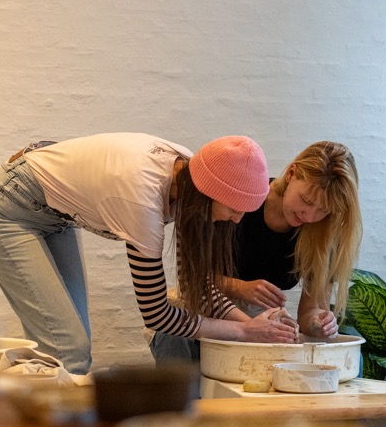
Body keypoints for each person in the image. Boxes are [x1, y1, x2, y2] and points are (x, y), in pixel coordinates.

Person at [0, 132, 299, 374]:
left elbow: (196, 285)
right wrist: (244, 331)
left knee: (65, 350)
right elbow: (157, 314)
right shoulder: (143, 199)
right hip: (7, 208)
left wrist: (258, 327)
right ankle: (13, 425)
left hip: (50, 214)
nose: (237, 220)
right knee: (68, 350)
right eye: (233, 209)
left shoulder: (188, 176)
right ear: (208, 194)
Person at [150, 140, 363, 362]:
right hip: (202, 308)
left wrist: (318, 322)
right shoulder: (239, 199)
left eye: (323, 211)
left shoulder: (324, 234)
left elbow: (308, 312)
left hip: (262, 321)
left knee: (347, 359)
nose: (309, 216)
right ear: (292, 173)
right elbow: (193, 281)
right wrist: (239, 288)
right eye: (306, 201)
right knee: (173, 335)